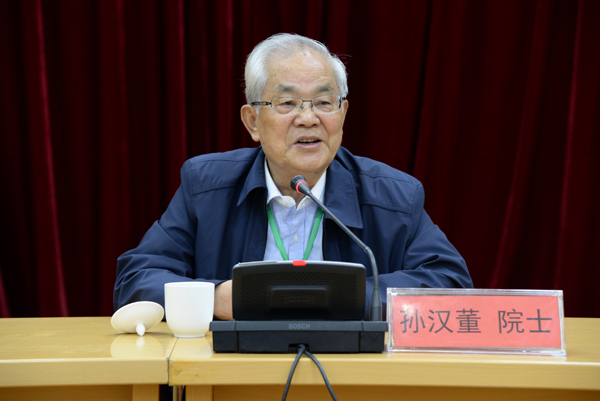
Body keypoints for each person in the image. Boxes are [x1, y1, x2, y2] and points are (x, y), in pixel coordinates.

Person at [114, 33, 473, 320]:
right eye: (287, 104)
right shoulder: (206, 187)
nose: (308, 118)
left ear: (343, 113)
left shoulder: (393, 196)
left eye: (324, 102)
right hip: (234, 372)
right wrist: (216, 298)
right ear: (253, 122)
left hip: (351, 373)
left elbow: (451, 286)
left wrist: (340, 297)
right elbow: (137, 279)